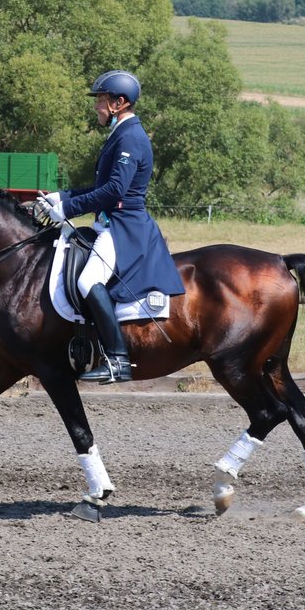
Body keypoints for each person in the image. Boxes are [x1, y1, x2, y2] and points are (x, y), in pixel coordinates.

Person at [38, 70, 185, 383]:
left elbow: (115, 191)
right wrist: (60, 196)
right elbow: (99, 186)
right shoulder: (120, 134)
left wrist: (67, 209)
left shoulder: (131, 137)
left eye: (102, 100)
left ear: (119, 103)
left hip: (125, 226)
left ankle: (117, 359)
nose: (97, 107)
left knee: (88, 280)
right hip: (111, 223)